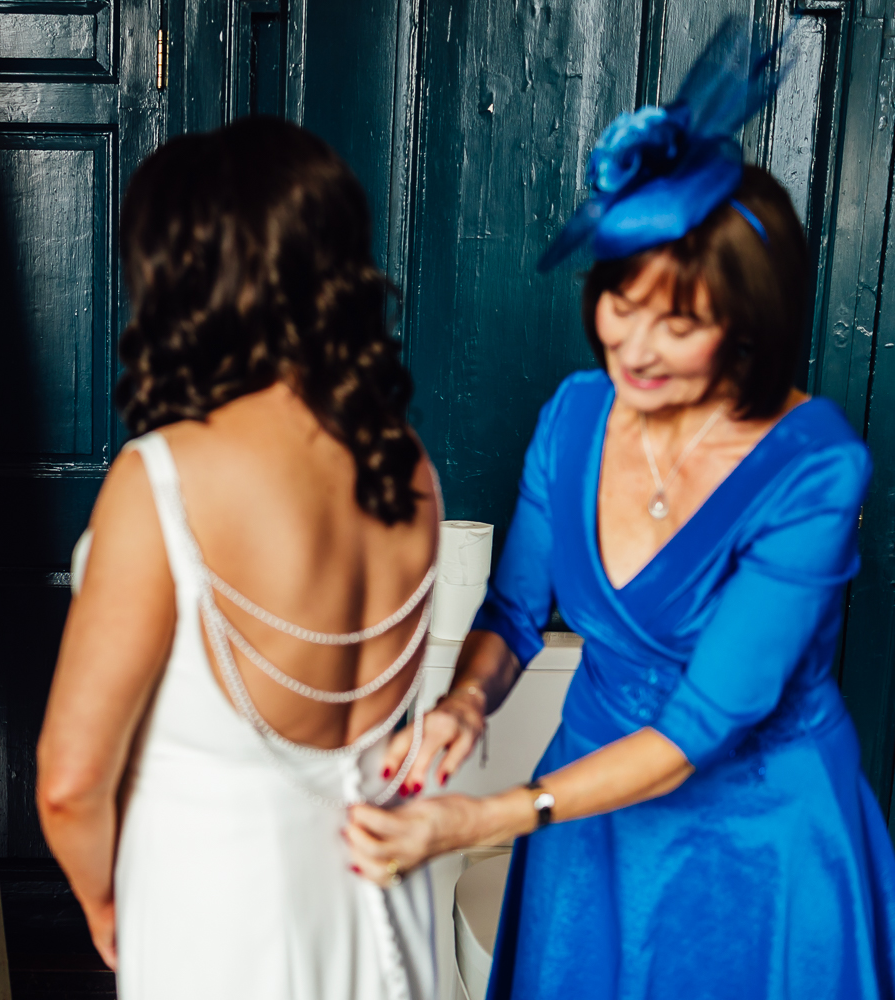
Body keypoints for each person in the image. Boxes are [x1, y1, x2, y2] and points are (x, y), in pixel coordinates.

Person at [344, 21, 895, 999]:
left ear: (748, 326)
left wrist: (486, 816)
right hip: (590, 817)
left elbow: (699, 730)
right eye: (621, 304)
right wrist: (466, 701)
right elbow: (515, 614)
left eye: (678, 323)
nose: (634, 348)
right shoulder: (574, 414)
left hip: (758, 843)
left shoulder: (815, 468)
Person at [35, 117, 442, 1000]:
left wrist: (104, 905)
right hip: (384, 915)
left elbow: (69, 784)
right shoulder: (404, 460)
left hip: (225, 926)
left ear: (182, 279)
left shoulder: (164, 477)